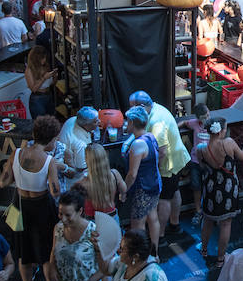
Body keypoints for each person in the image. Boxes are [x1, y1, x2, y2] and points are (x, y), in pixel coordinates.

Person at [0, 116, 60, 281]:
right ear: (50, 140)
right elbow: (54, 191)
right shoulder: (49, 161)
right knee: (46, 254)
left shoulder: (16, 153)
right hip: (42, 207)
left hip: (19, 206)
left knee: (23, 253)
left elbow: (3, 182)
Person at [131, 91, 191, 240]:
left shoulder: (156, 121)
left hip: (168, 164)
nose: (132, 111)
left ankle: (161, 234)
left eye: (133, 108)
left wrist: (153, 170)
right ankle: (175, 223)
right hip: (177, 159)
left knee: (164, 199)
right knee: (174, 191)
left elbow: (162, 151)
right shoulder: (157, 108)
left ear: (143, 106)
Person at [198, 117, 243, 268]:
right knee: (225, 223)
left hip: (210, 189)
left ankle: (203, 250)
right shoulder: (228, 143)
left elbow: (202, 167)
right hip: (228, 189)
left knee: (208, 220)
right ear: (221, 131)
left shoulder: (201, 149)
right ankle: (220, 259)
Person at [51, 189, 103, 281]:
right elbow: (53, 252)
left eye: (68, 215)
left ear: (80, 211)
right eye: (60, 214)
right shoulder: (58, 228)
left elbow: (107, 267)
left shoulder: (94, 232)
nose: (63, 219)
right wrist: (52, 268)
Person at [122, 106, 161, 251]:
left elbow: (132, 174)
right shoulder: (150, 136)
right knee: (153, 218)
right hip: (154, 185)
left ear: (132, 122)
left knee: (137, 225)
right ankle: (155, 254)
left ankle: (140, 259)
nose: (126, 124)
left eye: (127, 121)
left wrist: (123, 190)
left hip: (142, 189)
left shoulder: (138, 145)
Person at [82, 143, 126, 221]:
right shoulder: (114, 174)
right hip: (111, 217)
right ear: (105, 156)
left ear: (87, 159)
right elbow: (124, 189)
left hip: (92, 220)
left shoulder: (83, 182)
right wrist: (122, 196)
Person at [59, 107, 100, 191]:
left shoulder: (73, 119)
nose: (99, 122)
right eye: (96, 121)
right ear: (86, 125)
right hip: (75, 182)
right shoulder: (80, 145)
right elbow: (80, 167)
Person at [24, 46, 56, 118]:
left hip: (49, 96)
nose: (44, 60)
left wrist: (55, 76)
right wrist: (44, 78)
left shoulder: (46, 66)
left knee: (51, 121)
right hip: (37, 99)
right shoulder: (29, 70)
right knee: (41, 123)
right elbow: (34, 89)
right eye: (42, 58)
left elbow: (52, 83)